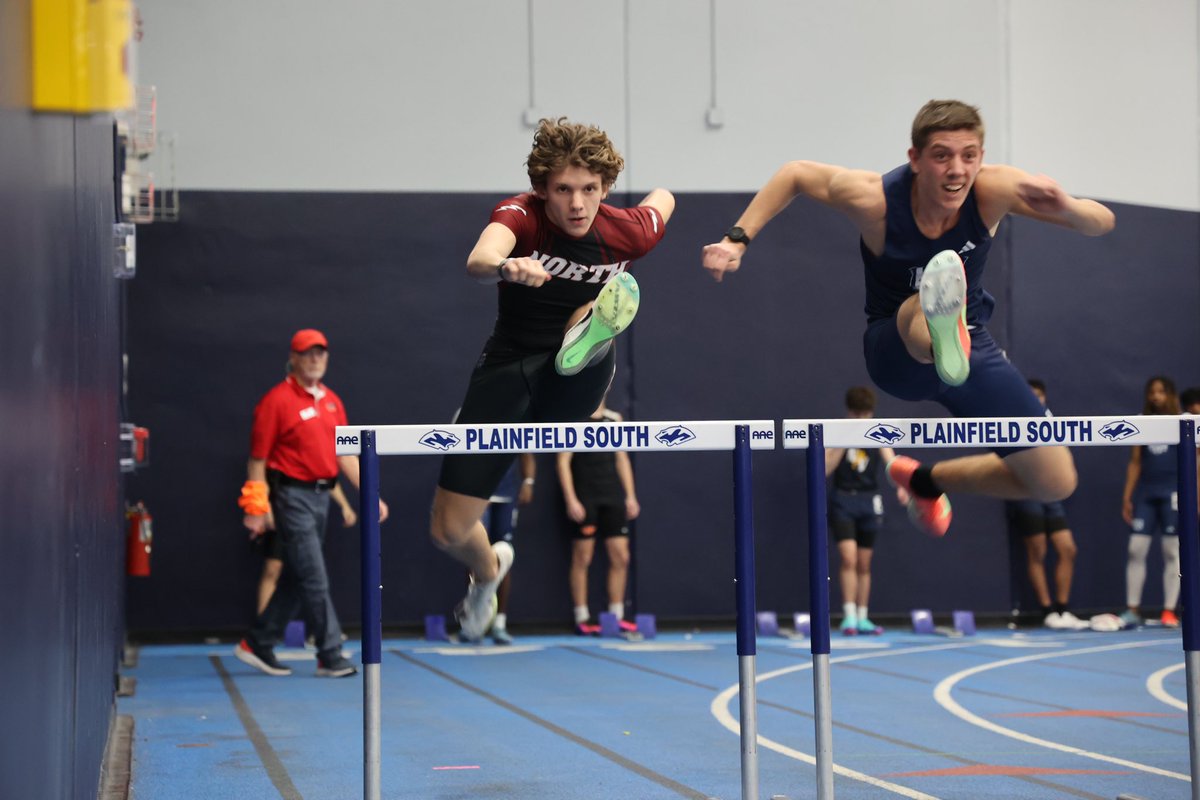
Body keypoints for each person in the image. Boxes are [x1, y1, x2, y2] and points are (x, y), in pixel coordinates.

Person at [701, 99, 1115, 537]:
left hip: (973, 350)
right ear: (915, 159)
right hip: (896, 351)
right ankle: (941, 329)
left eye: (969, 155)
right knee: (930, 294)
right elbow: (796, 173)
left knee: (1054, 481)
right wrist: (736, 240)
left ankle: (923, 480)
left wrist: (1067, 206)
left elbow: (1102, 222)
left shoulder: (995, 189)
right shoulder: (874, 199)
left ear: (981, 157)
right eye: (942, 155)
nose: (957, 169)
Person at [430, 117, 674, 641]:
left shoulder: (628, 230)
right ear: (543, 189)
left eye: (590, 189)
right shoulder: (522, 216)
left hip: (574, 376)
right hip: (507, 368)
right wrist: (505, 266)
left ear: (606, 187)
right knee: (447, 530)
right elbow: (479, 257)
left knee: (584, 334)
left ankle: (594, 333)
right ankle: (487, 576)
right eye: (563, 190)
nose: (578, 204)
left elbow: (664, 199)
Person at [234, 329, 389, 677]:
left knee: (297, 575)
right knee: (315, 577)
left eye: (321, 353)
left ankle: (258, 641)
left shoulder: (332, 401)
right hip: (291, 497)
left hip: (321, 499)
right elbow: (257, 460)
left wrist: (370, 494)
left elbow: (345, 454)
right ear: (294, 358)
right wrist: (257, 508)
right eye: (308, 353)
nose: (316, 359)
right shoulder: (276, 401)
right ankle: (330, 654)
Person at [1004, 380, 1087, 630]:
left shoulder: (1050, 419)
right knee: (1037, 550)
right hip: (1026, 490)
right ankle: (1047, 611)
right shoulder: (1011, 416)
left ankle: (1062, 610)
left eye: (1039, 395)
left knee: (1067, 549)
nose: (1036, 399)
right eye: (1031, 394)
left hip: (1051, 495)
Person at [557, 402, 640, 635]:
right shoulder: (573, 417)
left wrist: (630, 496)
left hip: (611, 495)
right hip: (585, 496)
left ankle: (615, 615)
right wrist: (571, 499)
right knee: (583, 556)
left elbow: (622, 458)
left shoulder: (614, 419)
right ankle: (582, 616)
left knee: (621, 555)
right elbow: (563, 461)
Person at [825, 387, 897, 635]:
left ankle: (864, 616)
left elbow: (892, 462)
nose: (861, 420)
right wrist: (844, 442)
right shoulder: (837, 430)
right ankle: (849, 616)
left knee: (865, 563)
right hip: (843, 499)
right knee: (849, 558)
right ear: (849, 413)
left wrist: (903, 487)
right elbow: (825, 469)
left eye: (865, 415)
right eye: (857, 415)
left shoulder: (876, 430)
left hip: (869, 500)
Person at [1120, 376, 1181, 628]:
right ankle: (1132, 608)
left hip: (1173, 494)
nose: (1156, 397)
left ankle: (1169, 610)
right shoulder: (1141, 422)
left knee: (1172, 552)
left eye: (1161, 391)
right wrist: (1127, 496)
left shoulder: (1182, 421)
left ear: (1170, 394)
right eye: (1152, 392)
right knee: (1136, 549)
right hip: (1146, 493)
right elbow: (1135, 462)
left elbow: (1195, 461)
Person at [254, 482, 356, 615]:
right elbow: (261, 474)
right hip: (282, 505)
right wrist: (264, 509)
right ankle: (263, 627)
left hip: (311, 509)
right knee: (273, 568)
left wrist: (345, 505)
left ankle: (315, 627)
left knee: (308, 571)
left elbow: (328, 477)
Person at [475, 454, 536, 645]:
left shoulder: (514, 422)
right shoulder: (463, 422)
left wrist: (528, 481)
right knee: (475, 555)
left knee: (504, 556)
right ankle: (474, 620)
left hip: (507, 493)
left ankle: (499, 622)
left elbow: (525, 450)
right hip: (476, 495)